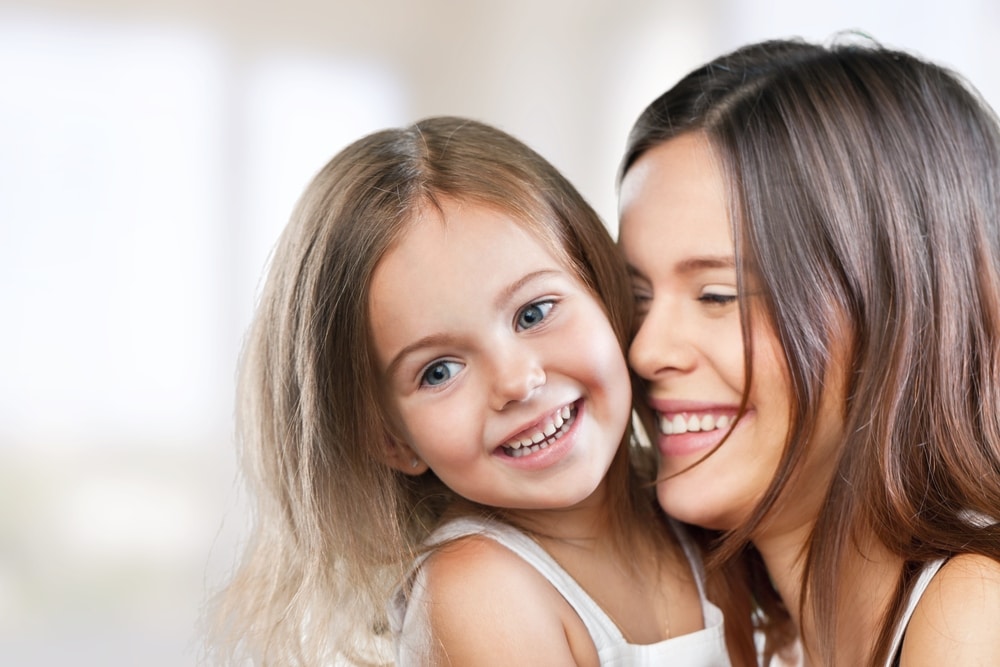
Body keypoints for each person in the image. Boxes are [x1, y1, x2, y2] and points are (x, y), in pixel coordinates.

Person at [208, 116, 734, 665]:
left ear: (603, 290)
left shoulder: (687, 511)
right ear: (392, 440)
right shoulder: (479, 591)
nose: (515, 381)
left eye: (534, 312)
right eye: (439, 371)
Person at [617, 36, 1000, 667]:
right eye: (637, 299)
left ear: (892, 310)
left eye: (717, 295)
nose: (645, 350)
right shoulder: (757, 634)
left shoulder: (974, 607)